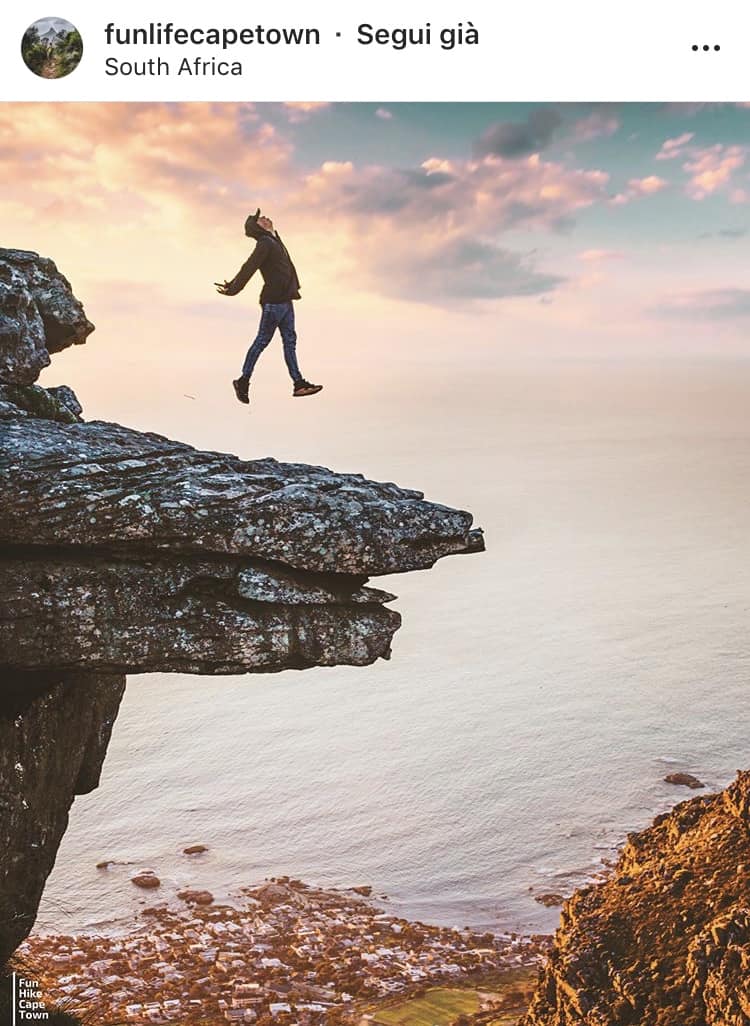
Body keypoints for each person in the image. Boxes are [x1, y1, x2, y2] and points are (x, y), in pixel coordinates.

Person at [216, 209, 322, 405]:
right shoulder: (265, 244)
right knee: (262, 341)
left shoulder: (274, 240)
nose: (265, 218)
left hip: (287, 300)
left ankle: (299, 384)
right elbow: (249, 266)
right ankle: (243, 381)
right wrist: (233, 287)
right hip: (274, 302)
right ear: (257, 227)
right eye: (260, 219)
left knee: (290, 342)